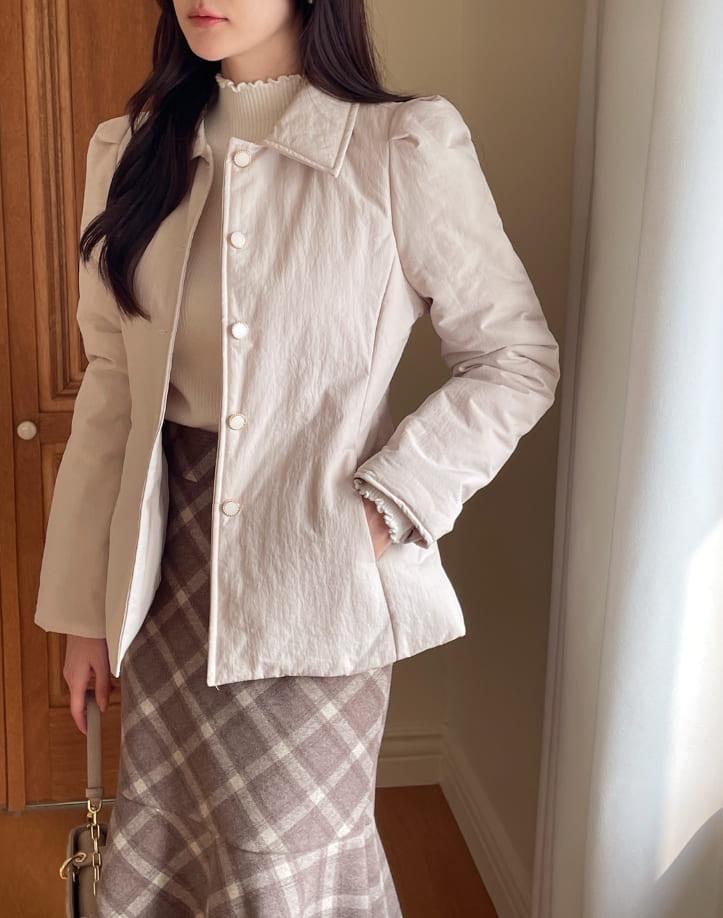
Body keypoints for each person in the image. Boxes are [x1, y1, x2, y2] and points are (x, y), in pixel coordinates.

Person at [34, 0, 560, 914]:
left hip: (318, 572)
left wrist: (388, 504)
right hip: (161, 567)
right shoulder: (129, 152)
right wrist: (85, 613)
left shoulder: (400, 145)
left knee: (288, 864)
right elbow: (112, 387)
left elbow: (514, 358)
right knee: (170, 834)